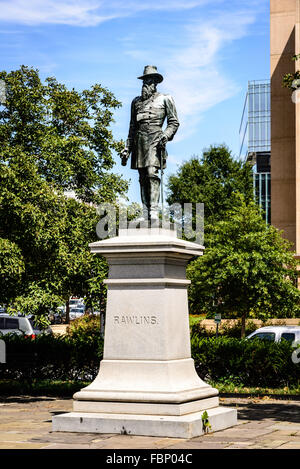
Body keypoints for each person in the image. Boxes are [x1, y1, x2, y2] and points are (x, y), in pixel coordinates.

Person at [121, 65, 179, 222]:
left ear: (155, 82)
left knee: (151, 173)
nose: (146, 84)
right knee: (142, 176)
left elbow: (174, 122)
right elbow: (132, 127)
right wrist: (127, 148)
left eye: (149, 81)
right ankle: (145, 210)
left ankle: (153, 211)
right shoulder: (136, 102)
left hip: (156, 139)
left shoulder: (166, 98)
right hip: (140, 141)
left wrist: (166, 136)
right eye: (144, 80)